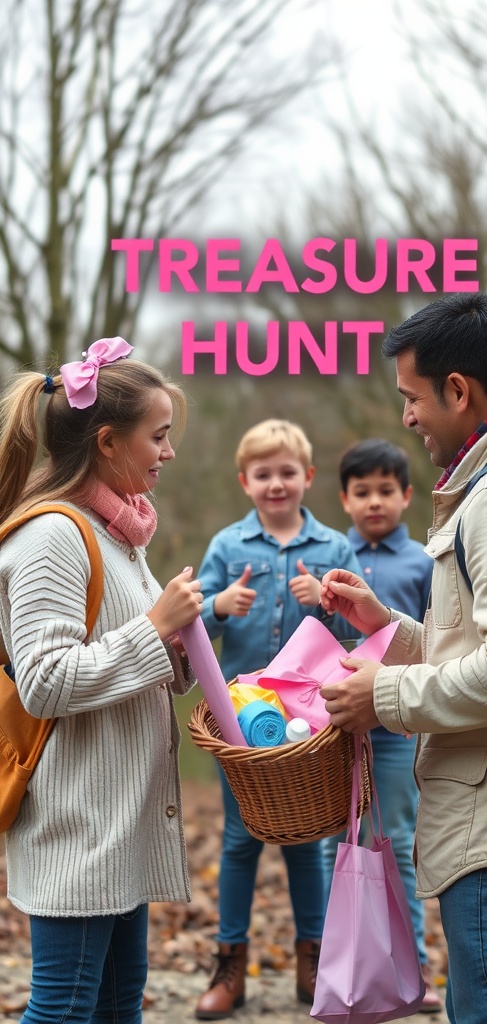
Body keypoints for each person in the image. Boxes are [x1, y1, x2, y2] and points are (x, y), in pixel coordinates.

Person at [318, 293, 487, 1024]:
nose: (407, 417)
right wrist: (391, 629)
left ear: (458, 390)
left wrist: (383, 695)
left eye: (412, 398)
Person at [0, 338, 204, 1024]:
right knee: (63, 1010)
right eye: (159, 436)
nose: (168, 452)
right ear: (109, 442)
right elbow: (46, 680)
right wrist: (154, 627)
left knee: (118, 1005)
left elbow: (126, 655)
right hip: (80, 829)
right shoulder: (54, 537)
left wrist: (181, 644)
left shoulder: (119, 532)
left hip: (120, 827)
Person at [194, 418, 362, 1020]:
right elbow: (190, 623)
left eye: (287, 472)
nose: (275, 484)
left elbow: (359, 634)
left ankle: (311, 961)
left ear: (307, 476)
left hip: (308, 724)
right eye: (262, 474)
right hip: (241, 720)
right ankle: (230, 963)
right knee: (240, 840)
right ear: (245, 481)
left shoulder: (334, 549)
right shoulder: (227, 546)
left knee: (306, 841)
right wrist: (219, 606)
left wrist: (327, 605)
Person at [321, 438, 440, 1013]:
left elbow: (436, 641)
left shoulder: (424, 562)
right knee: (335, 850)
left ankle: (409, 967)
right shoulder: (331, 556)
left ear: (406, 495)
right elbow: (316, 645)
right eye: (362, 491)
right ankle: (340, 967)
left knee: (393, 844)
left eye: (385, 491)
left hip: (396, 731)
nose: (374, 502)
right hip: (336, 732)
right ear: (344, 498)